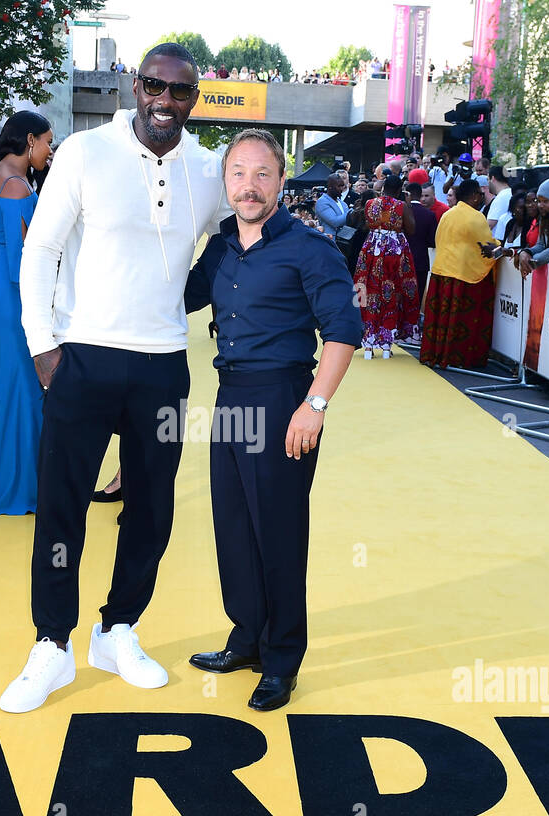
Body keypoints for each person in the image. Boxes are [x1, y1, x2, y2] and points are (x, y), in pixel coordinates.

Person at [0, 42, 232, 714]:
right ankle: (52, 643)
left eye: (180, 92)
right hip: (83, 358)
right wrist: (44, 348)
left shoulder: (207, 169)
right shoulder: (82, 152)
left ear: (193, 99)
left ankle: (117, 629)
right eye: (154, 86)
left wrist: (190, 293)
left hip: (163, 364)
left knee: (152, 509)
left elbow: (228, 234)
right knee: (62, 503)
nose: (165, 101)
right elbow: (41, 248)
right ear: (137, 86)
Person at [182, 129, 359, 711]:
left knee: (278, 536)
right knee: (233, 530)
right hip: (230, 397)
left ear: (282, 182)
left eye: (262, 174)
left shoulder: (311, 248)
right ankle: (247, 638)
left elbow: (342, 332)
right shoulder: (218, 247)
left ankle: (282, 659)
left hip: (284, 401)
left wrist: (314, 405)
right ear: (225, 181)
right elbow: (177, 297)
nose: (249, 186)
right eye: (238, 173)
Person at [0, 110, 53, 515]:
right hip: (10, 288)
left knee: (4, 383)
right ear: (30, 140)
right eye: (47, 142)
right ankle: (18, 489)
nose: (49, 150)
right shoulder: (18, 185)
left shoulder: (0, 174)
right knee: (23, 387)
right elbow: (23, 262)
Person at [420, 179, 501, 369]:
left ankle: (436, 354)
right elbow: (487, 248)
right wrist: (502, 247)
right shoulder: (476, 217)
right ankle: (455, 358)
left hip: (441, 272)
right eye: (480, 195)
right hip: (463, 275)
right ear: (473, 196)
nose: (481, 199)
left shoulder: (448, 214)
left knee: (440, 318)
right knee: (460, 320)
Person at [353, 173, 418, 357]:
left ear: (382, 188)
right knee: (391, 293)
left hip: (371, 249)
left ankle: (367, 343)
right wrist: (407, 204)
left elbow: (368, 224)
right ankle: (387, 344)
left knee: (368, 291)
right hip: (393, 252)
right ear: (398, 190)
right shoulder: (401, 206)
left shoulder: (369, 204)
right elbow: (412, 229)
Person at [404, 181, 437, 305]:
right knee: (417, 297)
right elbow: (432, 241)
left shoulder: (400, 211)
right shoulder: (430, 215)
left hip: (401, 259)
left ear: (408, 194)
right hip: (420, 261)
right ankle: (414, 323)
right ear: (420, 195)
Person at [314, 172, 347, 238]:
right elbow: (335, 222)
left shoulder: (343, 203)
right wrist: (352, 212)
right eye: (339, 186)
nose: (341, 189)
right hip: (330, 240)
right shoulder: (322, 202)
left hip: (344, 241)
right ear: (330, 187)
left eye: (342, 186)